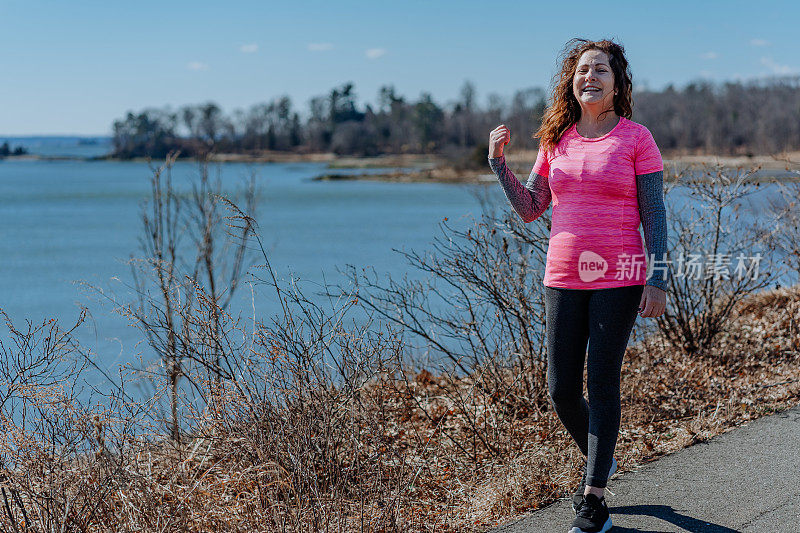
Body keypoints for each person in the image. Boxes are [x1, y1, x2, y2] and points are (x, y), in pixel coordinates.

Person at [487, 38, 669, 533]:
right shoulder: (556, 139)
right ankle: (601, 457)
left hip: (621, 275)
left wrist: (659, 279)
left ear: (617, 84)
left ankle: (594, 499)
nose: (591, 77)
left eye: (601, 71)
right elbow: (530, 208)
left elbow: (654, 214)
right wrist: (498, 164)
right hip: (563, 276)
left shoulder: (637, 139)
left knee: (602, 382)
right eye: (583, 70)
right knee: (561, 389)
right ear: (572, 81)